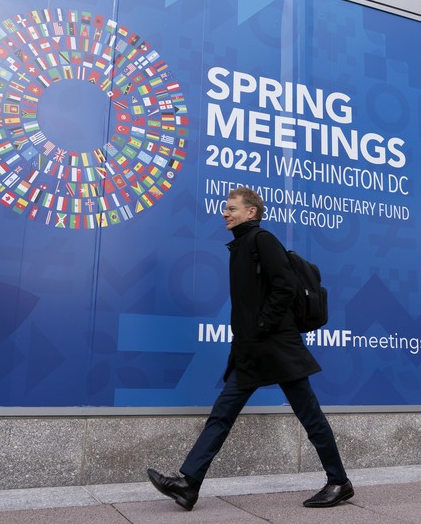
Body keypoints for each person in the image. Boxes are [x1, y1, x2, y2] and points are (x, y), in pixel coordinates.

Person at [147, 187, 353, 511]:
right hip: (251, 351)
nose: (225, 213)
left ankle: (339, 482)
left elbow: (284, 286)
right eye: (225, 208)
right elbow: (246, 306)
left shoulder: (262, 240)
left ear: (251, 212)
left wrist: (260, 326)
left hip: (277, 347)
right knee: (221, 414)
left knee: (309, 415)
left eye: (231, 208)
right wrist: (241, 343)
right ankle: (189, 484)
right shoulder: (239, 247)